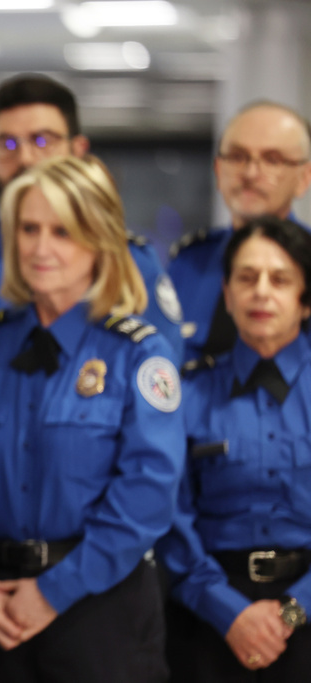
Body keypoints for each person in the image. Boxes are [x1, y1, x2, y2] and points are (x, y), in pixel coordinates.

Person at [0, 155, 185, 682]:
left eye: (62, 231)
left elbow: (148, 494)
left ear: (99, 239)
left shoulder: (140, 355)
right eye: (28, 228)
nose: (40, 247)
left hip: (99, 606)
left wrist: (53, 592)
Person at [0, 73, 184, 361]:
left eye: (43, 140)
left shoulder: (128, 261)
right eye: (7, 144)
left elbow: (162, 379)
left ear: (78, 150)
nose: (26, 159)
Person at [157, 216, 311, 681]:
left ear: (305, 300)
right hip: (208, 613)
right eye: (247, 278)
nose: (261, 291)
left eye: (280, 279)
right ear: (227, 294)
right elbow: (168, 517)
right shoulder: (186, 394)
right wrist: (232, 616)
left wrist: (287, 616)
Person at [169, 101, 311, 362]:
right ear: (218, 169)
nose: (250, 172)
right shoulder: (187, 264)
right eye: (237, 157)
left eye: (272, 160)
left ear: (304, 178)